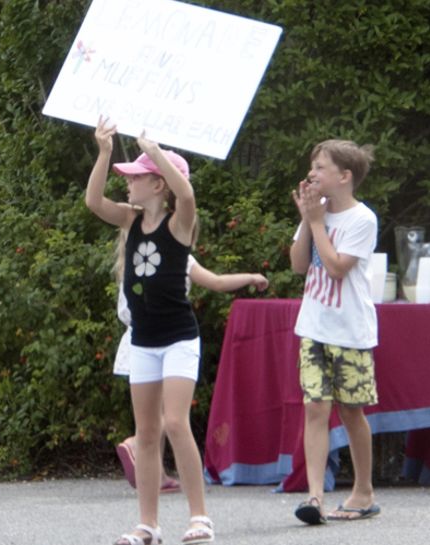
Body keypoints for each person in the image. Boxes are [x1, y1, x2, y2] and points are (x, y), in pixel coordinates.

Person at [85, 116, 213, 545]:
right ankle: (148, 525)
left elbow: (188, 193)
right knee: (146, 435)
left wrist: (154, 151)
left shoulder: (179, 224)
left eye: (137, 177)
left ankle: (199, 518)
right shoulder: (130, 220)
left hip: (179, 338)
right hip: (143, 340)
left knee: (175, 422)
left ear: (158, 184)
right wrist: (105, 152)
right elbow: (93, 201)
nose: (129, 184)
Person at [112, 242, 269, 493]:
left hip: (136, 338)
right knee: (170, 413)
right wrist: (250, 277)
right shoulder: (176, 253)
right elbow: (216, 282)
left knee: (153, 409)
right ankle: (137, 442)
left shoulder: (133, 253)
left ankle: (158, 474)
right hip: (167, 337)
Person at [289, 139, 380, 525]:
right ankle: (315, 496)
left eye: (321, 168)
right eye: (312, 166)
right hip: (313, 326)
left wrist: (315, 223)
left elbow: (338, 267)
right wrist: (309, 221)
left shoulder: (363, 219)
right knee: (315, 407)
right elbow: (297, 265)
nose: (313, 174)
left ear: (345, 176)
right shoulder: (315, 211)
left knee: (351, 411)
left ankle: (363, 491)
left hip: (351, 331)